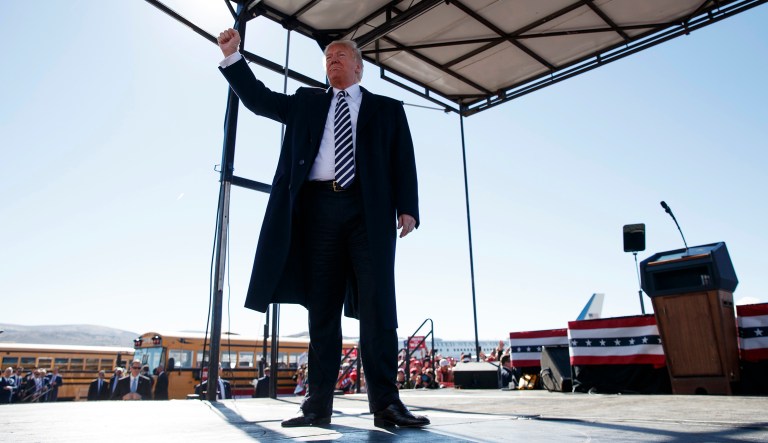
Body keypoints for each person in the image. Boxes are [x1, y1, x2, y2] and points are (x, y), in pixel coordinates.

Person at [216, 28, 427, 429]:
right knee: (322, 311)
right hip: (319, 211)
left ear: (358, 67)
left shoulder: (387, 109)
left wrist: (409, 208)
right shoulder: (306, 102)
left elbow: (404, 160)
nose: (332, 59)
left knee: (378, 307)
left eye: (341, 54)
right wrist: (233, 58)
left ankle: (387, 405)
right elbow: (259, 100)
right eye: (328, 55)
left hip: (370, 212)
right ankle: (317, 405)